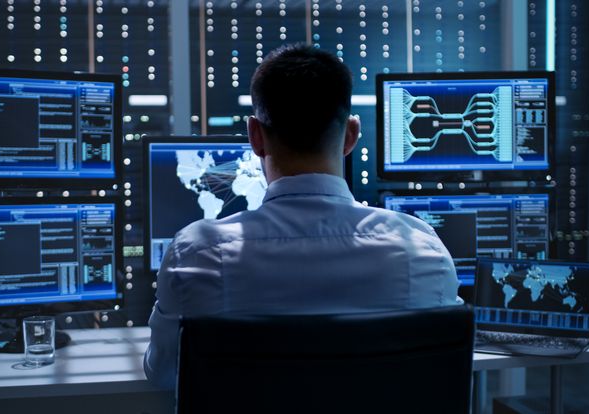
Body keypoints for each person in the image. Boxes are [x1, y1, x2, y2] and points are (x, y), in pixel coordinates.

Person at [144, 44, 461, 389]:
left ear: (255, 136)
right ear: (351, 136)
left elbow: (163, 373)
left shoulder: (198, 253)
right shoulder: (421, 248)